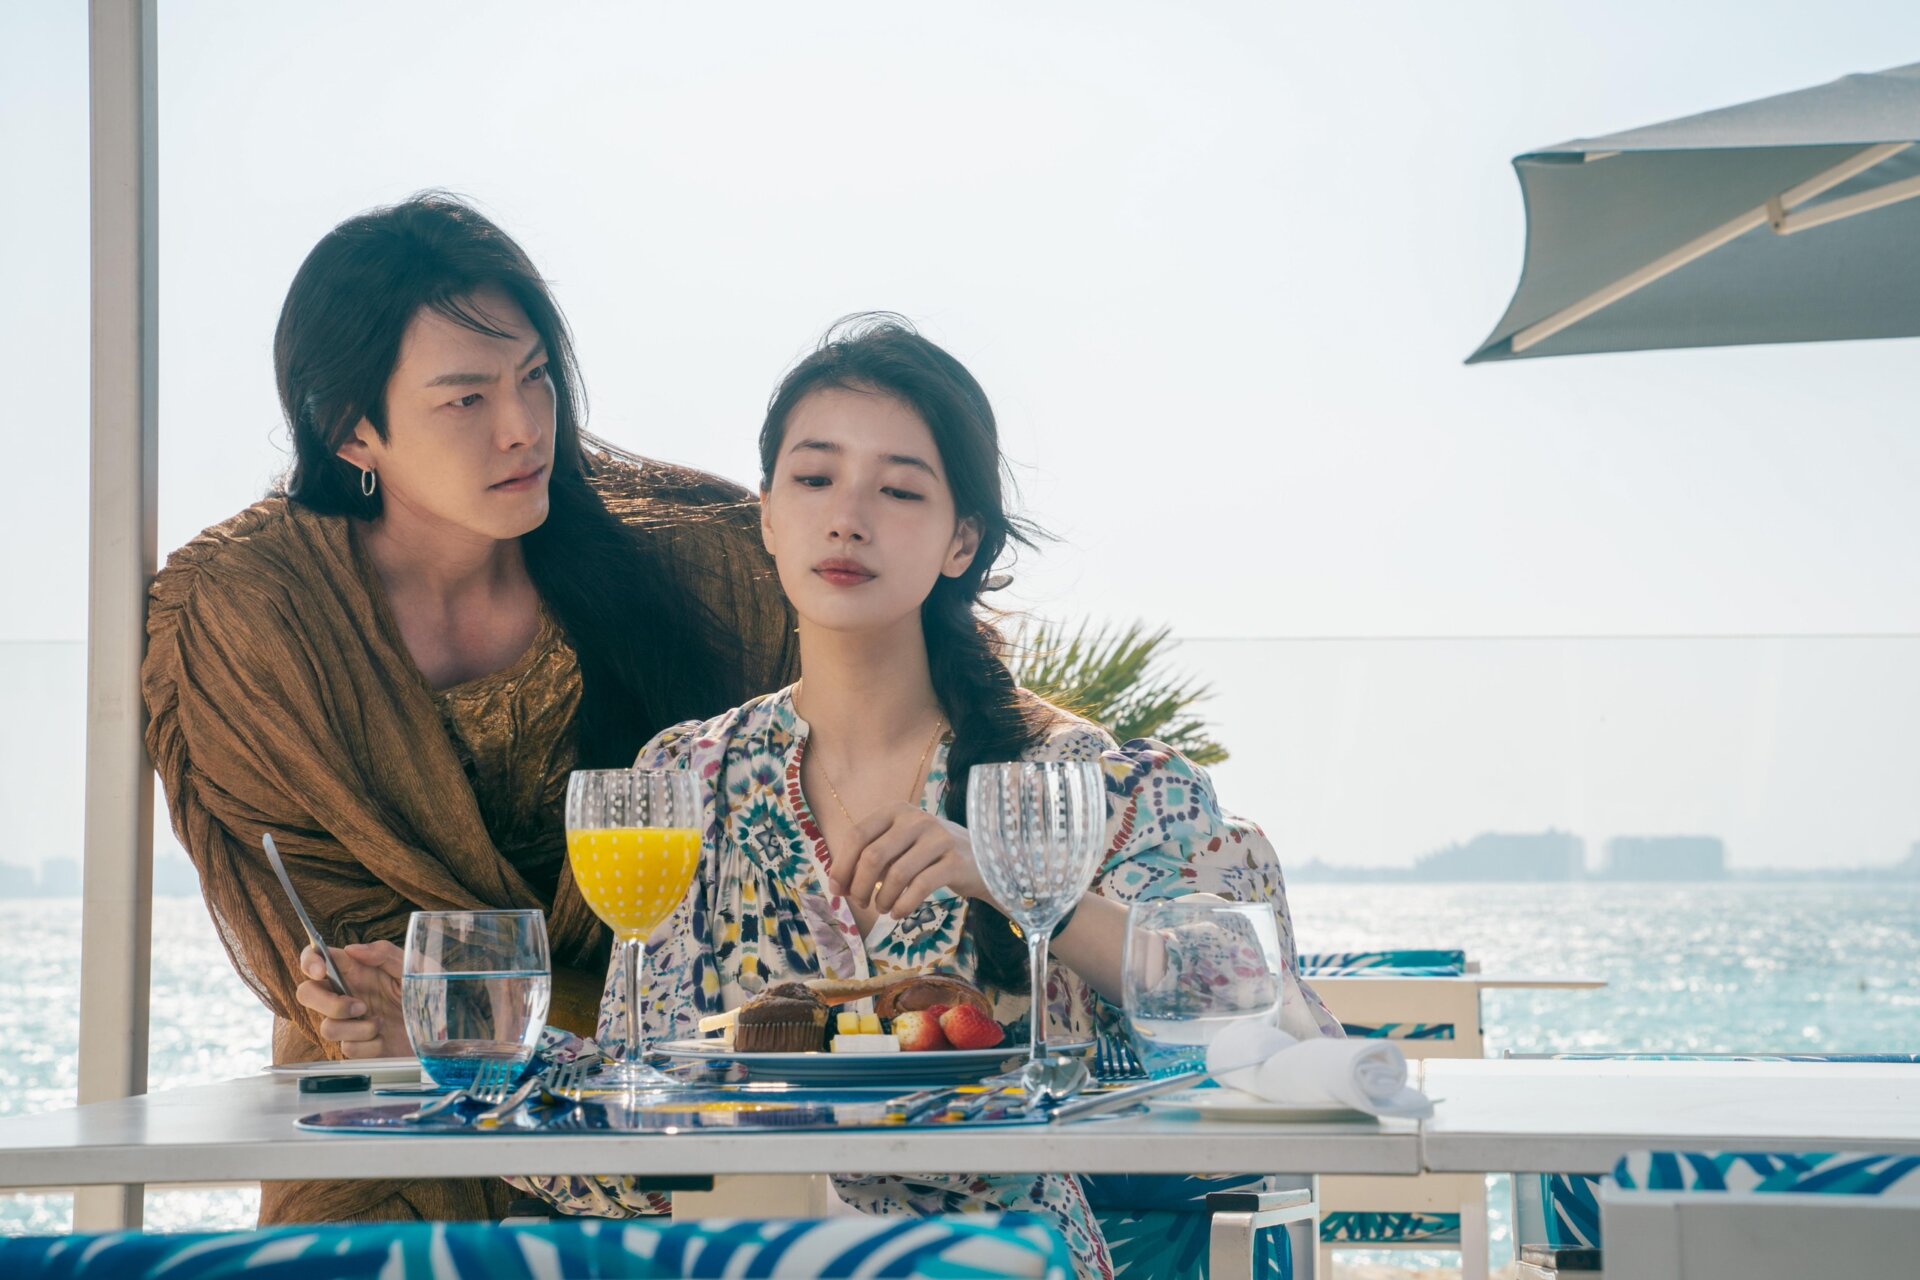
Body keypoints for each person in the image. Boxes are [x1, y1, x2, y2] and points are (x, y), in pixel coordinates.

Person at [508, 314, 1343, 1277]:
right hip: (750, 1256)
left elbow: (1281, 1040)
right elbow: (639, 1114)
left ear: (962, 540)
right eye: (814, 479)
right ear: (767, 518)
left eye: (899, 489)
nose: (848, 518)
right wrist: (457, 1046)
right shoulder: (683, 781)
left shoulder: (1090, 785)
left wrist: (1020, 879)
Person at [140, 192, 796, 1225]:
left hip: (647, 1127)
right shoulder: (249, 617)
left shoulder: (703, 562)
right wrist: (492, 1007)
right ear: (350, 427)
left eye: (536, 376)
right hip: (380, 1129)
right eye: (465, 399)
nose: (523, 426)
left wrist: (466, 1003)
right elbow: (340, 963)